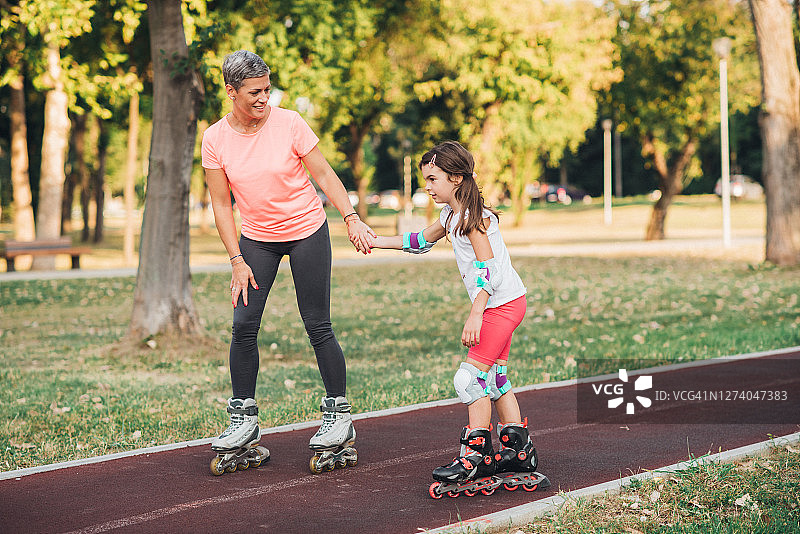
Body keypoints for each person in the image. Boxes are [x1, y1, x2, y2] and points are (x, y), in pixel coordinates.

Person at [201, 50, 374, 474]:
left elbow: (326, 176)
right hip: (256, 241)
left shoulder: (290, 122)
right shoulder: (215, 139)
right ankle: (243, 420)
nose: (265, 98)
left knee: (317, 324)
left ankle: (338, 415)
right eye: (255, 92)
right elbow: (222, 206)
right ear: (231, 92)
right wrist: (236, 259)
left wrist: (350, 217)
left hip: (307, 232)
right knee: (244, 326)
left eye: (267, 89)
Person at [370, 141, 540, 493]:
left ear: (457, 178)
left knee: (468, 380)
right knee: (495, 380)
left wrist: (476, 314)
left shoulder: (474, 220)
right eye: (426, 180)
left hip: (499, 305)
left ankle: (475, 455)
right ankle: (519, 452)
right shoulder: (451, 217)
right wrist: (375, 241)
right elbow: (419, 241)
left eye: (433, 179)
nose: (428, 187)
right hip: (509, 301)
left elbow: (488, 269)